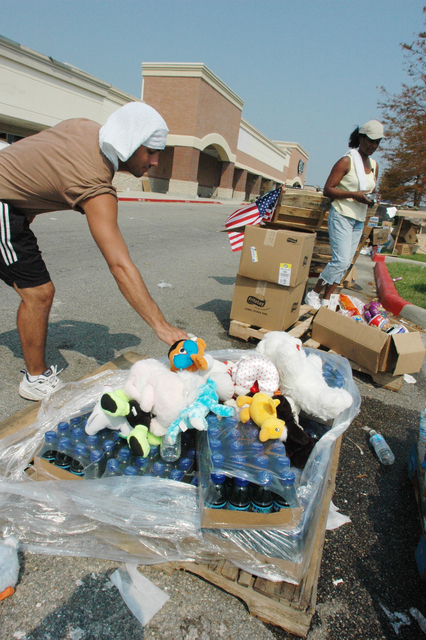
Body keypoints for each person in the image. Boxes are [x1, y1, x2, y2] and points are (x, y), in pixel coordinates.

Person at [0, 102, 188, 401]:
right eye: (150, 152)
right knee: (38, 294)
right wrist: (160, 325)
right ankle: (34, 380)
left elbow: (34, 167)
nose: (154, 162)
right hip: (1, 205)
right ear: (128, 144)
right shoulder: (95, 183)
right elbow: (119, 264)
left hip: (13, 206)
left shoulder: (85, 127)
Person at [304, 119, 383, 309]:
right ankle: (314, 293)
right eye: (370, 140)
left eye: (377, 142)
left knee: (346, 263)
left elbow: (370, 189)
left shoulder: (374, 165)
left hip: (358, 219)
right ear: (361, 138)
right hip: (341, 215)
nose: (373, 145)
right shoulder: (346, 160)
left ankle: (326, 298)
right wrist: (353, 195)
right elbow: (328, 189)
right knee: (340, 261)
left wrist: (372, 198)